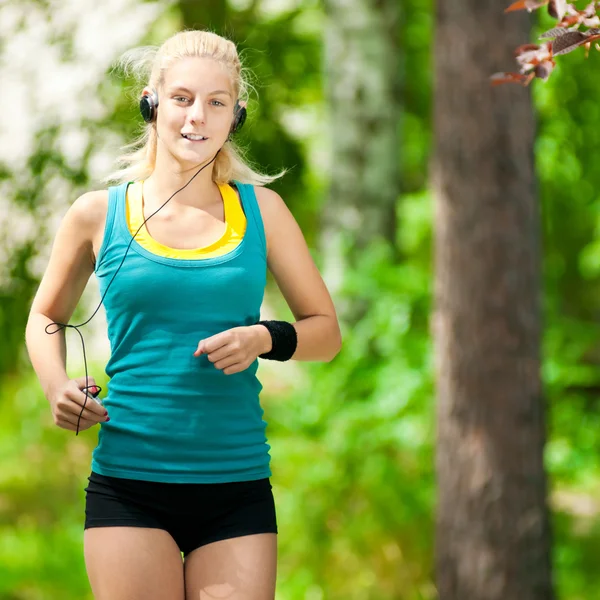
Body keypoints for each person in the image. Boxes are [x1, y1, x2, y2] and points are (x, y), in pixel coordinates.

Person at [25, 29, 342, 600]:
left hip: (236, 484)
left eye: (216, 102)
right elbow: (45, 315)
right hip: (129, 483)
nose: (198, 116)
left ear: (236, 116)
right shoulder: (98, 214)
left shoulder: (263, 211)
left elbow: (326, 332)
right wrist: (55, 387)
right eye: (182, 99)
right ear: (152, 102)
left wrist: (263, 338)